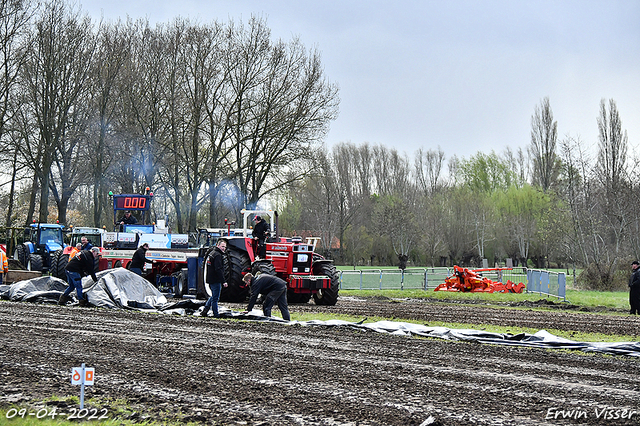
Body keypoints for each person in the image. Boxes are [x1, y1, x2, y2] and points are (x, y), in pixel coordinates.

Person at [201, 239, 228, 318]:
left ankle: (205, 311)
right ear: (218, 245)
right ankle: (215, 314)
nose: (224, 248)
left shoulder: (212, 254)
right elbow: (218, 269)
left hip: (210, 279)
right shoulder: (217, 256)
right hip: (215, 280)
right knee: (215, 298)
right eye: (222, 246)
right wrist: (223, 281)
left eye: (225, 247)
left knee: (213, 296)